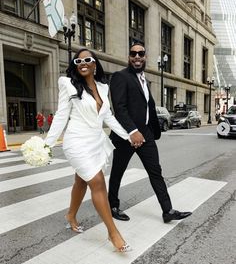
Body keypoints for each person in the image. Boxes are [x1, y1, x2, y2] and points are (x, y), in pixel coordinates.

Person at [44, 48, 131, 252]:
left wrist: (128, 135)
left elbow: (107, 117)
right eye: (78, 61)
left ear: (94, 64)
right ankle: (113, 233)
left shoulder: (102, 87)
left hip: (94, 142)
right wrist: (47, 144)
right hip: (76, 142)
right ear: (76, 65)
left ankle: (71, 215)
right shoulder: (68, 84)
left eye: (87, 59)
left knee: (81, 181)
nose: (82, 63)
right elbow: (61, 116)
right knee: (98, 182)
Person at [108, 42, 192, 223]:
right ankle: (112, 205)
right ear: (129, 57)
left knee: (156, 171)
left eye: (141, 53)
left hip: (146, 134)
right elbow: (119, 108)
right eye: (133, 53)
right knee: (118, 172)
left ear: (145, 56)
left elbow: (147, 107)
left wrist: (149, 131)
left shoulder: (144, 79)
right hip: (125, 135)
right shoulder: (120, 77)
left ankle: (167, 210)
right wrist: (133, 131)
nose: (137, 56)